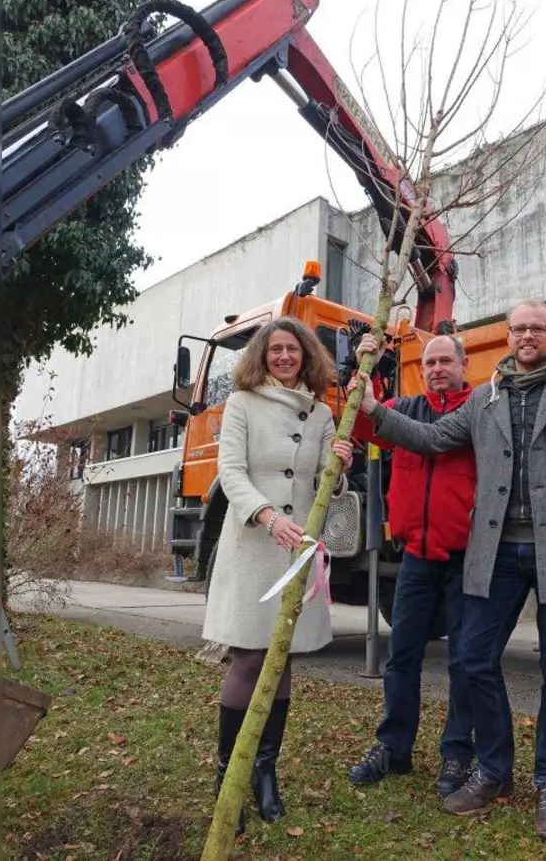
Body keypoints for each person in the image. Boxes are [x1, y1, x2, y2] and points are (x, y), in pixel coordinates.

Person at [352, 299, 546, 842]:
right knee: (472, 659)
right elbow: (429, 439)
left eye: (536, 328)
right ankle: (495, 768)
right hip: (495, 553)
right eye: (518, 328)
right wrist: (373, 410)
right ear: (507, 337)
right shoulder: (484, 398)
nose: (527, 336)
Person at [199, 316, 353, 833]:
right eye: (276, 350)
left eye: (293, 350)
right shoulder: (242, 404)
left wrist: (342, 463)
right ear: (263, 356)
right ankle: (229, 780)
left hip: (299, 550)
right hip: (255, 544)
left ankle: (265, 773)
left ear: (307, 357)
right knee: (248, 656)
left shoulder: (322, 413)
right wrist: (266, 515)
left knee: (282, 657)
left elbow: (326, 484)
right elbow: (231, 471)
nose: (285, 357)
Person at [343, 334, 478, 799]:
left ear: (464, 364)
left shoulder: (480, 412)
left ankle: (458, 753)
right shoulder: (405, 408)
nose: (437, 368)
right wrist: (362, 363)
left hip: (465, 557)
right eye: (430, 362)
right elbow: (361, 418)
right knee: (401, 657)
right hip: (416, 557)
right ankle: (394, 748)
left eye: (446, 360)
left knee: (465, 661)